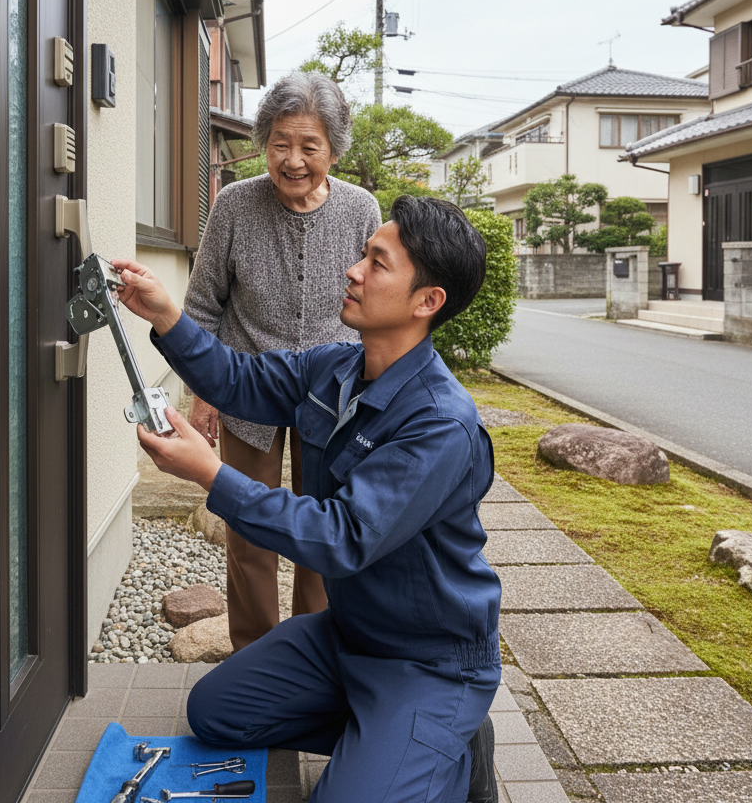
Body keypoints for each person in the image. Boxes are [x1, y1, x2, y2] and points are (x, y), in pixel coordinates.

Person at [113, 195, 501, 803]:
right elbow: (237, 381)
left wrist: (212, 476)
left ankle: (443, 744)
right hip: (349, 636)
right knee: (216, 712)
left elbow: (341, 537)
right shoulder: (336, 368)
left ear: (427, 302)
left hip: (428, 661)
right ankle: (396, 746)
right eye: (363, 255)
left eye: (377, 263)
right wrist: (165, 315)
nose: (354, 271)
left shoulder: (440, 424)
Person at [183, 71, 381, 651]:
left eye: (309, 146)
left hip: (337, 400)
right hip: (248, 393)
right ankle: (254, 661)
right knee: (249, 535)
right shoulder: (234, 206)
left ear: (334, 151)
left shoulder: (360, 210)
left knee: (324, 539)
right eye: (280, 143)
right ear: (263, 141)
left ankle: (314, 659)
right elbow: (200, 307)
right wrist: (205, 392)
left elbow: (380, 304)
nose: (293, 160)